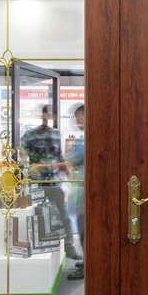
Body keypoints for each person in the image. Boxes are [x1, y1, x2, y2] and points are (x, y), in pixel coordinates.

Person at [20, 105, 80, 259]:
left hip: (54, 182)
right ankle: (36, 247)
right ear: (43, 115)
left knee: (63, 216)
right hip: (36, 183)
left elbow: (58, 156)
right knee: (35, 216)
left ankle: (69, 248)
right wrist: (24, 160)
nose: (49, 117)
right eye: (47, 114)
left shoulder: (56, 134)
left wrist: (66, 172)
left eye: (52, 115)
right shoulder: (30, 134)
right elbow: (21, 152)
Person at [66, 104, 86, 281]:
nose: (76, 121)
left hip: (85, 189)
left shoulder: (83, 139)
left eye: (77, 117)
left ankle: (88, 266)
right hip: (84, 187)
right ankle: (88, 260)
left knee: (84, 226)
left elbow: (72, 157)